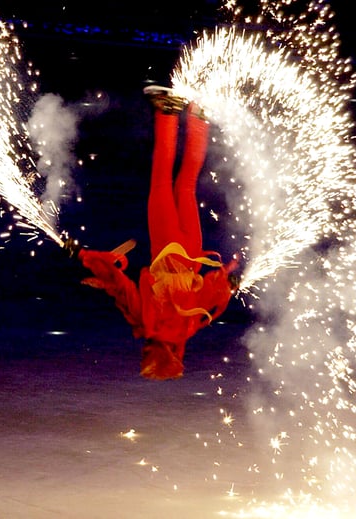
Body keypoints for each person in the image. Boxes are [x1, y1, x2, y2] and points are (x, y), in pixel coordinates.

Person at [64, 86, 239, 380]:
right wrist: (81, 254)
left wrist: (229, 281)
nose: (143, 350)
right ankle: (168, 111)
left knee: (186, 184)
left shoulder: (188, 327)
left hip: (193, 252)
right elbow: (119, 284)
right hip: (168, 247)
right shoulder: (147, 323)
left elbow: (212, 293)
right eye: (147, 355)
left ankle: (200, 116)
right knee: (160, 180)